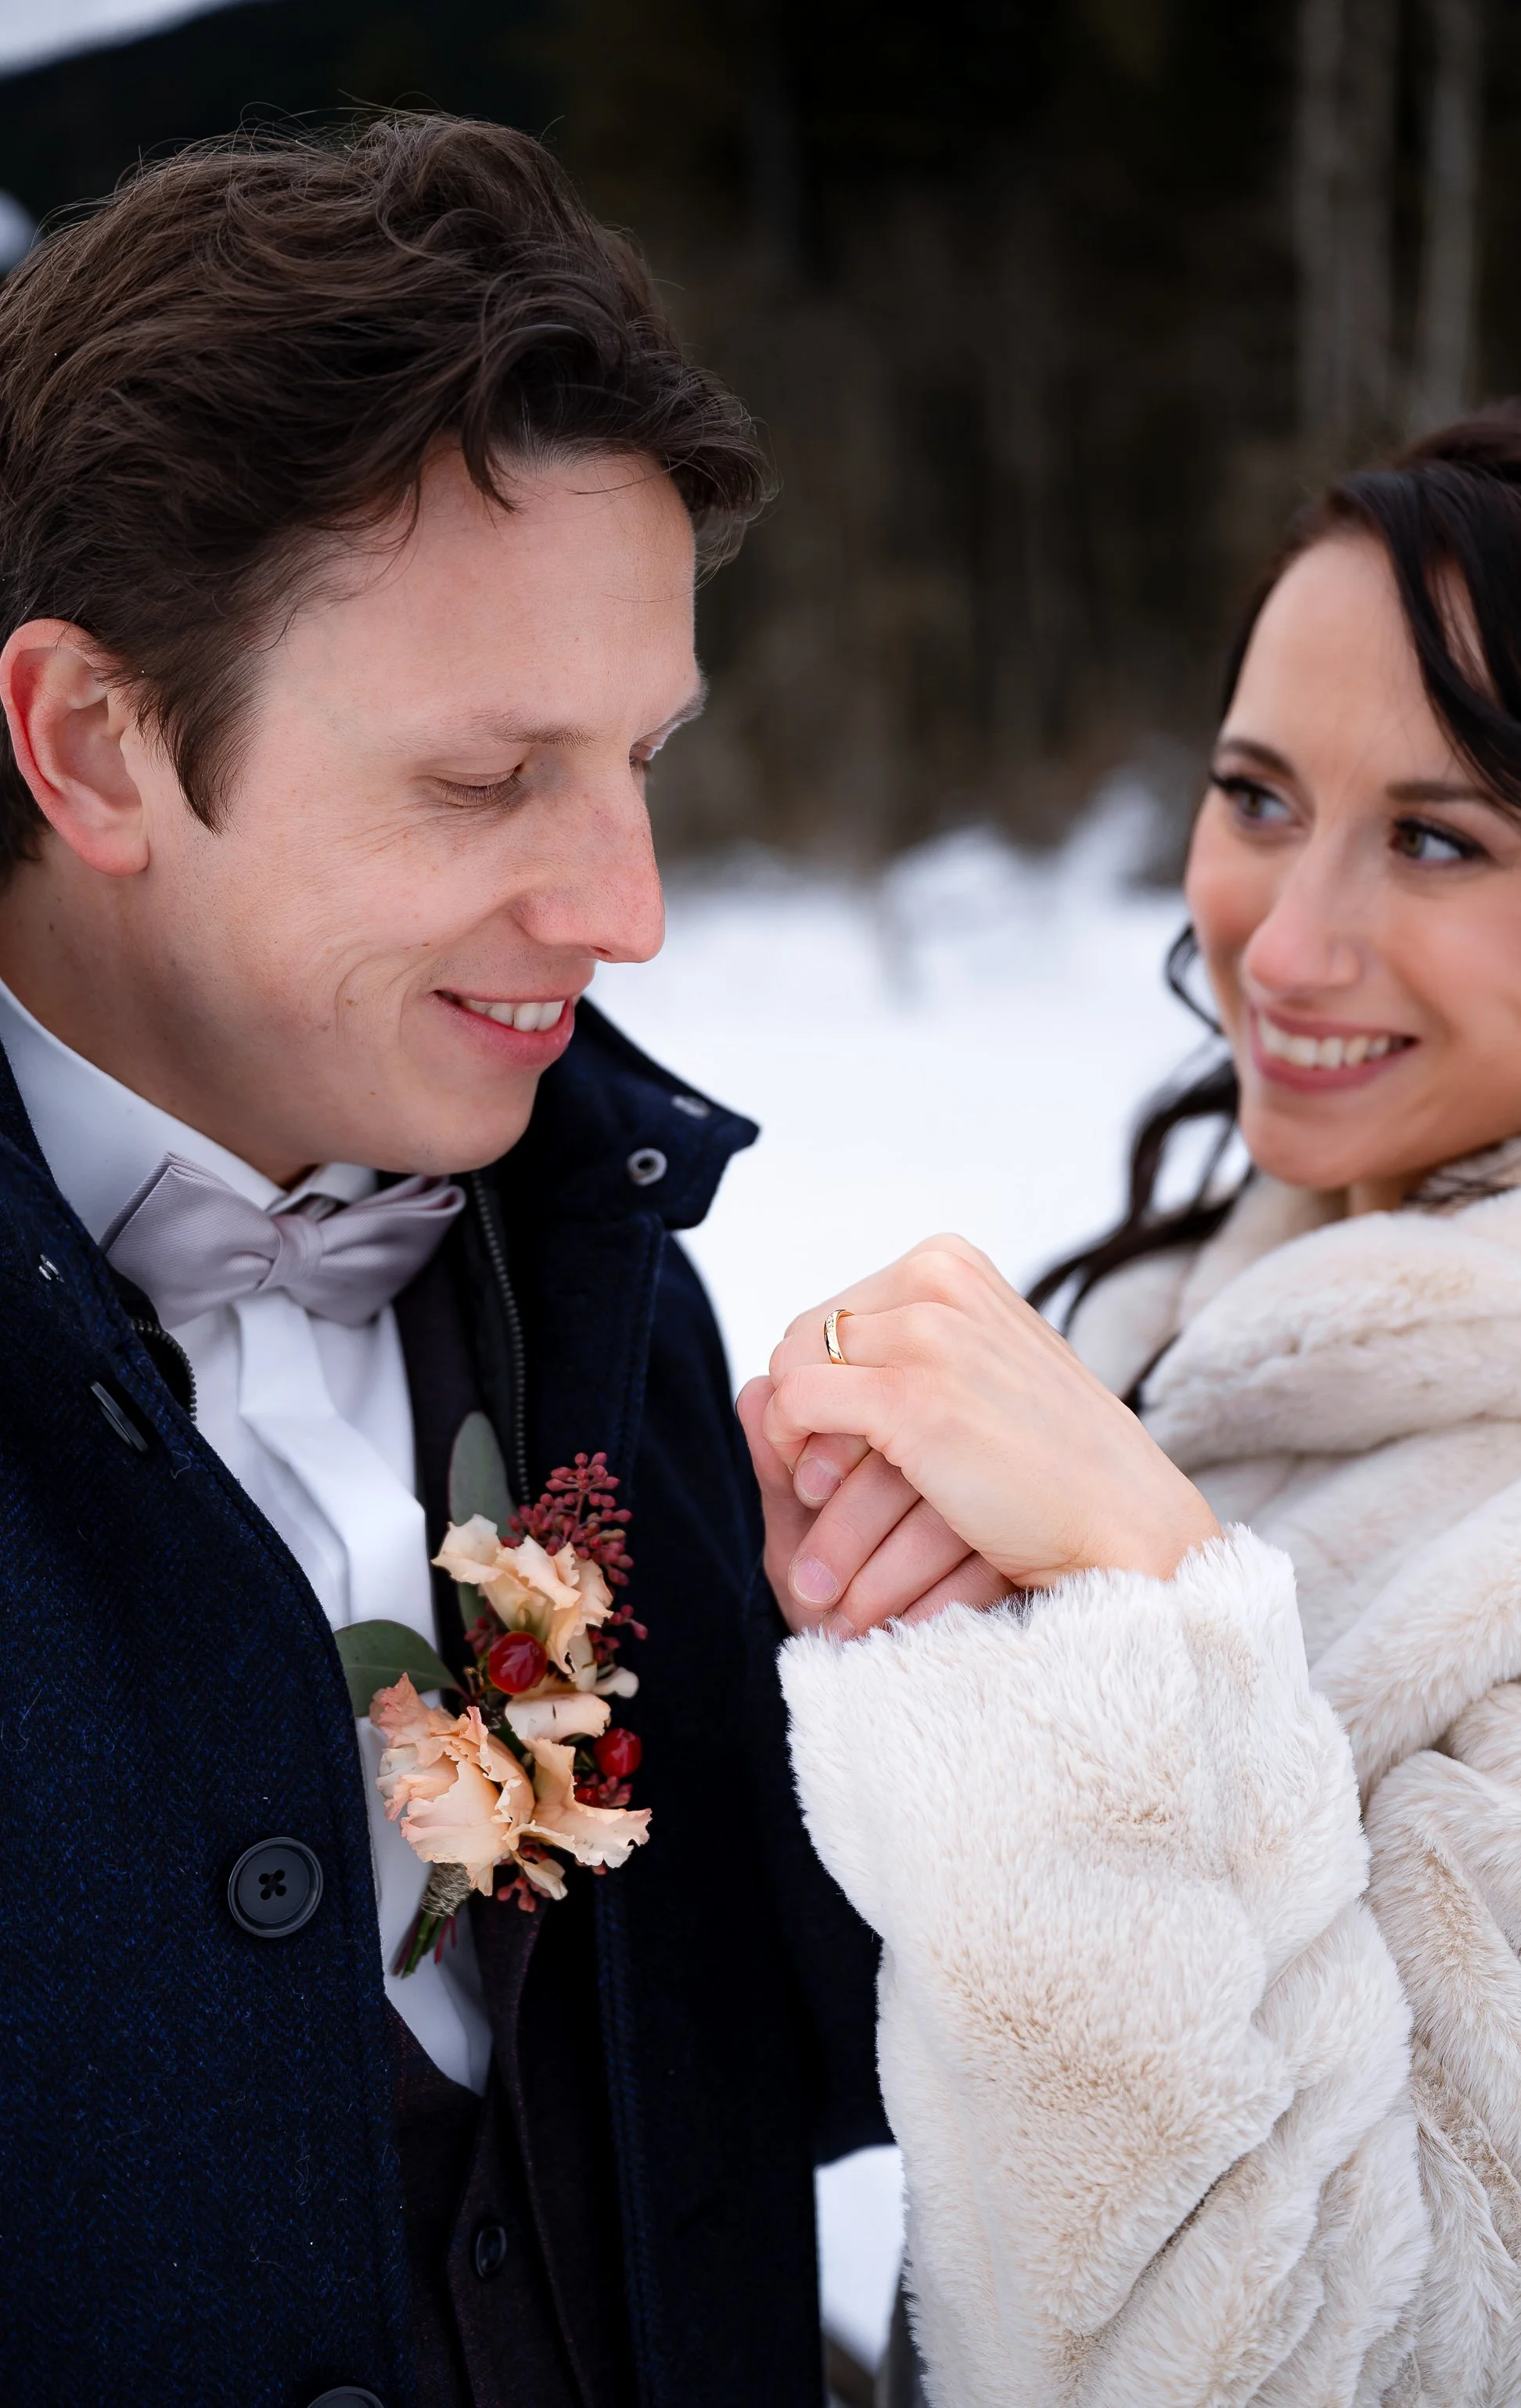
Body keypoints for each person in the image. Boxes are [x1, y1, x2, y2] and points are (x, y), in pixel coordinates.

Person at [0, 117, 886, 2406]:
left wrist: (963, 1712)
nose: (628, 905)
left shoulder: (617, 1280)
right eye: (492, 781)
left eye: (647, 760)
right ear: (95, 741)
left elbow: (776, 2076)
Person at [745, 393, 1521, 2404]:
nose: (1283, 944)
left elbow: (1381, 2368)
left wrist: (1142, 1619)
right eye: (1255, 795)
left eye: (1437, 835)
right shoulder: (1193, 1313)